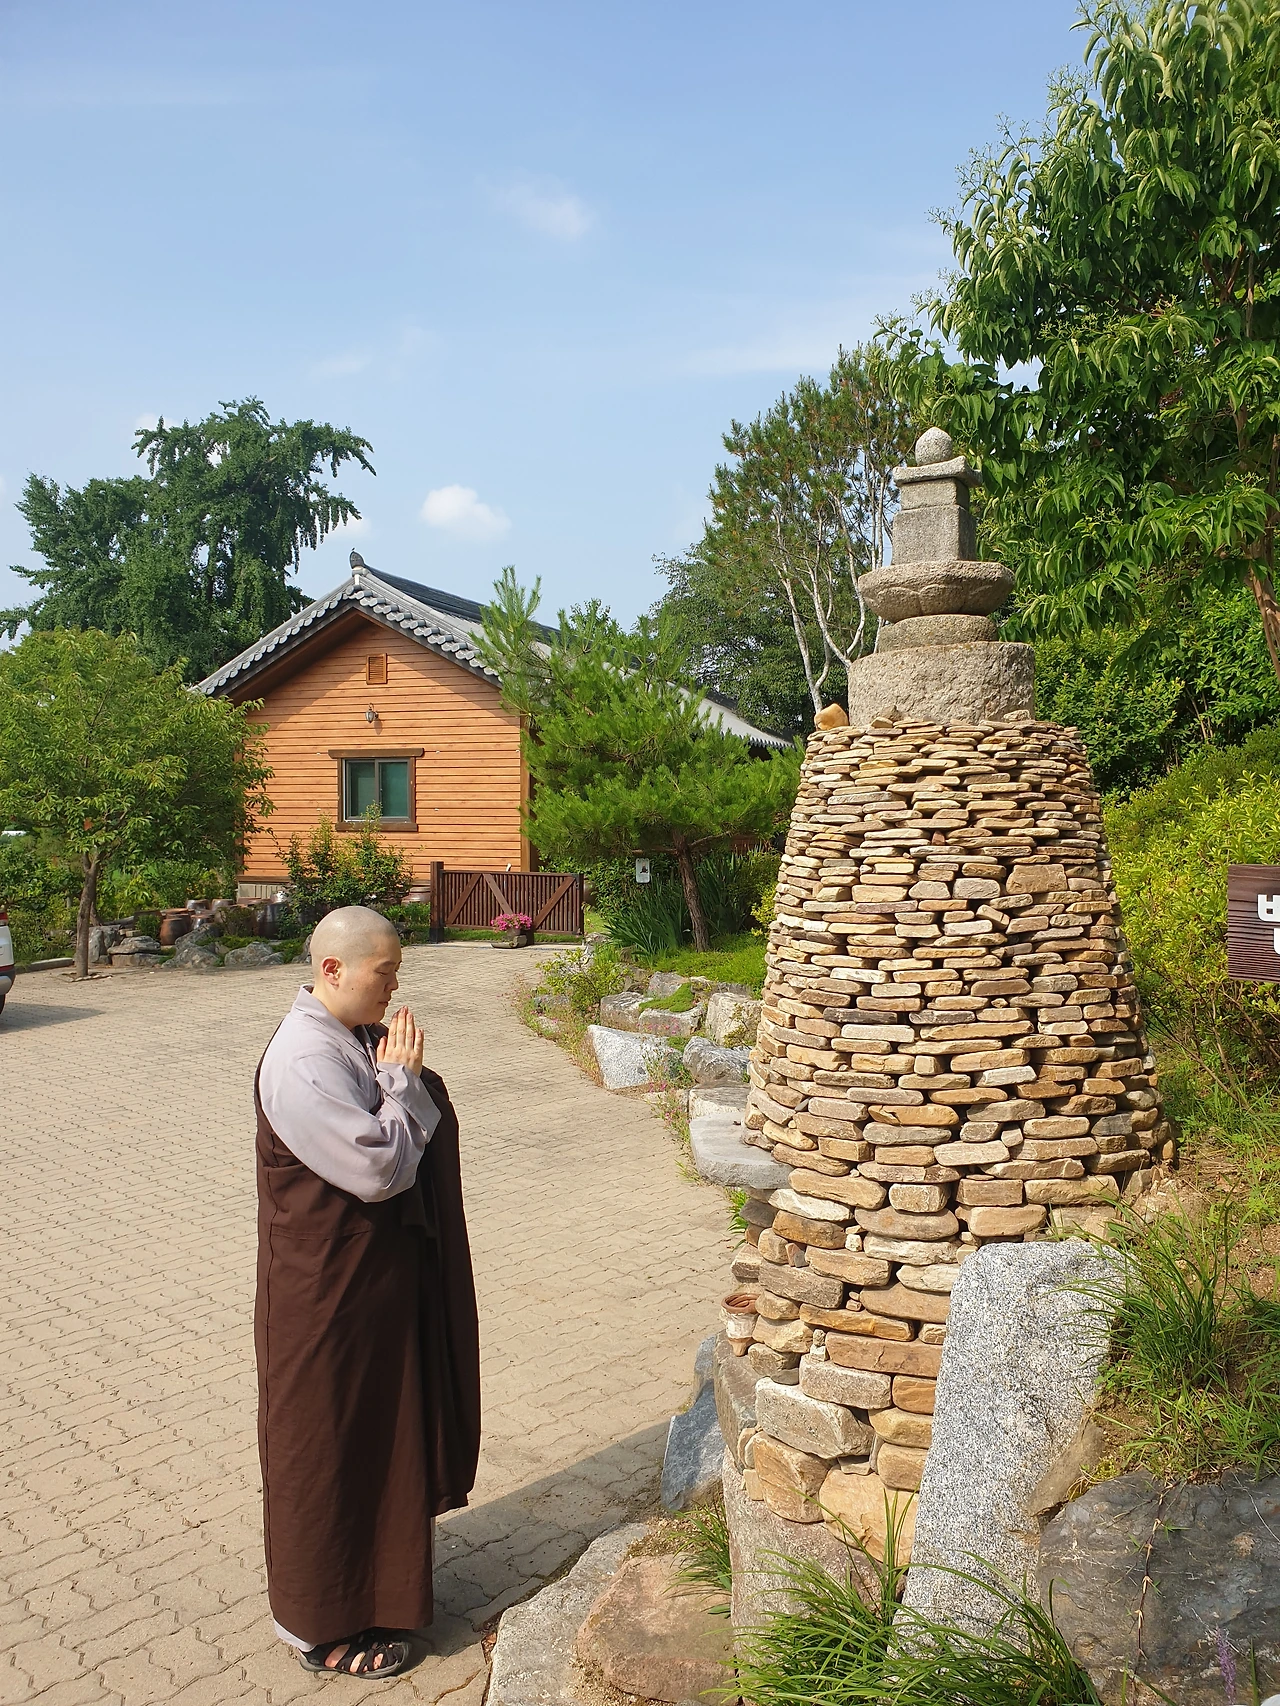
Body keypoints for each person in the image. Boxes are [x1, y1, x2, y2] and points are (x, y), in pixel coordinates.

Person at [254, 905, 480, 1679]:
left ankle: (381, 1593)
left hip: (368, 1290)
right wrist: (400, 1081)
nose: (393, 989)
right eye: (385, 974)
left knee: (380, 1441)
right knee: (325, 1447)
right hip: (324, 1301)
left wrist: (395, 1076)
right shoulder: (302, 1059)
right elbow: (379, 1170)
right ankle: (320, 1627)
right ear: (333, 969)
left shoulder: (347, 1036)